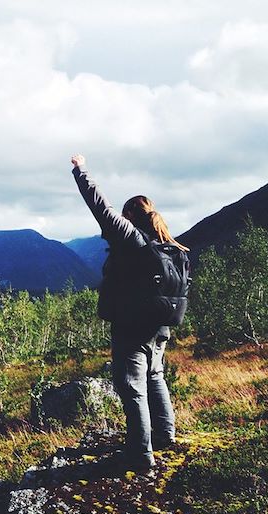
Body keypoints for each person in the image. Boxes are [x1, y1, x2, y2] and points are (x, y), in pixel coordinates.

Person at [70, 153, 188, 471]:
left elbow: (100, 206)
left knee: (131, 385)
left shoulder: (132, 238)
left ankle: (140, 454)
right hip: (160, 325)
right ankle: (165, 435)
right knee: (155, 375)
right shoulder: (170, 245)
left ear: (129, 216)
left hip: (132, 324)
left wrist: (80, 170)